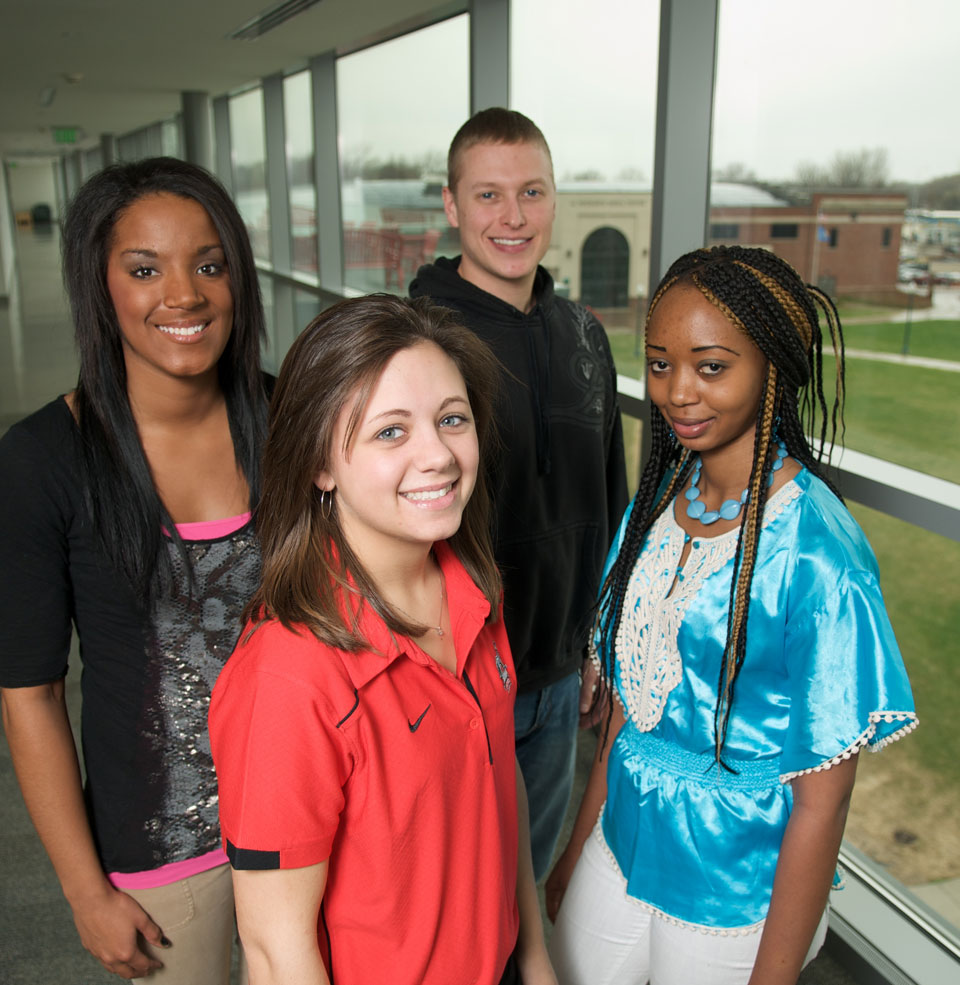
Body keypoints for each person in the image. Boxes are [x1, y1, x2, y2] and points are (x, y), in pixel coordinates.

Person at [545, 246, 917, 985]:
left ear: (772, 363)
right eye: (659, 363)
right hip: (620, 842)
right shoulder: (656, 504)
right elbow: (627, 710)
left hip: (733, 885)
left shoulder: (817, 555)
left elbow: (823, 799)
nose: (678, 391)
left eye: (711, 365)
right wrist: (576, 846)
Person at [208, 295, 556, 985]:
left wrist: (537, 955)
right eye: (389, 432)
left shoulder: (474, 590)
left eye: (451, 419)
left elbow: (496, 779)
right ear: (320, 466)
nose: (438, 455)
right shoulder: (289, 676)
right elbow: (279, 952)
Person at [0, 157, 269, 982]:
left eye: (209, 264)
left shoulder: (289, 415)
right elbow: (30, 693)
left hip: (312, 815)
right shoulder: (41, 460)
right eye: (145, 268)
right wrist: (85, 890)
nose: (183, 295)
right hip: (163, 848)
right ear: (99, 284)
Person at [409, 108, 629, 880]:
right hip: (457, 676)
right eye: (489, 195)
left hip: (561, 678)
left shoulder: (583, 334)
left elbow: (609, 497)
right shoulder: (417, 339)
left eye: (531, 193)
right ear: (451, 205)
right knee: (453, 888)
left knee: (524, 885)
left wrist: (597, 644)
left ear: (555, 198)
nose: (513, 217)